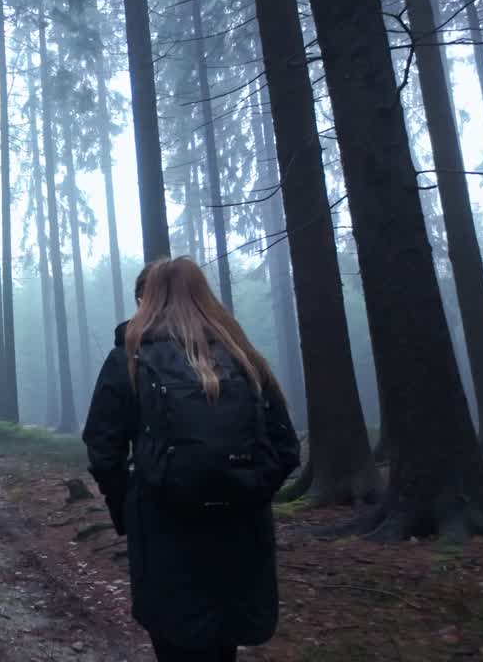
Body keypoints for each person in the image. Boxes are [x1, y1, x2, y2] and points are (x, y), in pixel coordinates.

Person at [82, 257, 301, 662]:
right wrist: (246, 490)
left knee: (177, 639)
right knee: (223, 642)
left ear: (146, 299)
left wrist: (129, 509)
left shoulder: (129, 358)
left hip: (164, 526)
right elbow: (286, 448)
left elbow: (103, 449)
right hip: (240, 530)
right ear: (203, 295)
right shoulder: (243, 356)